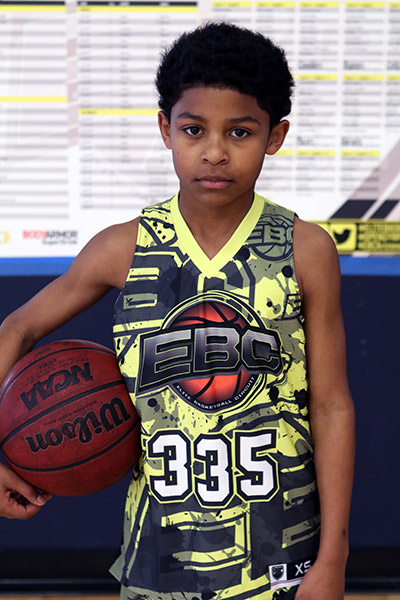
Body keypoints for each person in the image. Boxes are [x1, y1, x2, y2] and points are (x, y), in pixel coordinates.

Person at [0, 22, 355, 600]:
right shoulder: (124, 248)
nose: (214, 151)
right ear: (166, 128)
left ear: (276, 136)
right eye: (194, 129)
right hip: (159, 564)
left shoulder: (305, 249)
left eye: (240, 131)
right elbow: (17, 328)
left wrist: (334, 555)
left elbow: (332, 404)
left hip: (284, 557)